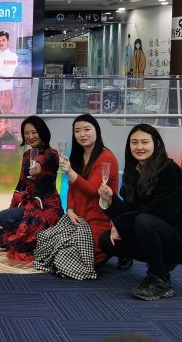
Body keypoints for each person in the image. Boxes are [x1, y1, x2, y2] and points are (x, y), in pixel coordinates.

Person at [98, 124, 182, 301]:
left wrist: (120, 224)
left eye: (145, 142)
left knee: (144, 221)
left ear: (156, 144)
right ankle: (162, 262)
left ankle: (160, 279)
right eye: (134, 142)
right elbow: (130, 210)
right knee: (106, 240)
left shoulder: (170, 169)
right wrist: (111, 200)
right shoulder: (134, 171)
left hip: (175, 235)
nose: (139, 147)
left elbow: (164, 211)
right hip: (151, 232)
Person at [0, 116, 63, 260]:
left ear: (42, 132)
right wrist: (11, 208)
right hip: (30, 206)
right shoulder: (26, 156)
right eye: (26, 133)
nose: (30, 136)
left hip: (47, 208)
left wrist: (38, 166)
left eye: (34, 132)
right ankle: (34, 238)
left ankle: (39, 237)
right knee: (0, 228)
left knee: (10, 237)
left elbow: (44, 161)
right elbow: (20, 185)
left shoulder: (52, 153)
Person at [59, 114, 119, 265]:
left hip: (98, 218)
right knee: (53, 246)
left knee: (74, 261)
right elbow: (72, 186)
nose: (82, 134)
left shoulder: (106, 158)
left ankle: (119, 251)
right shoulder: (78, 156)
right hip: (78, 216)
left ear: (96, 131)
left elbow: (92, 190)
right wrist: (70, 209)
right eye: (77, 131)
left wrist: (70, 172)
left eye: (87, 129)